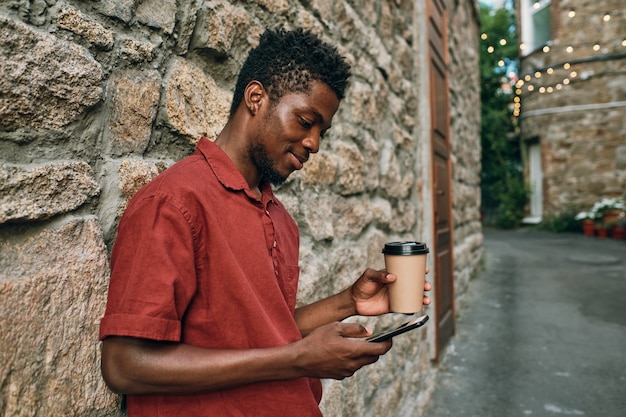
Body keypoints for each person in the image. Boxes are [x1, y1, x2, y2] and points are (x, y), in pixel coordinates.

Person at [99, 28, 431, 417]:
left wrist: (348, 302)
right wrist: (298, 360)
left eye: (322, 131)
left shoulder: (279, 218)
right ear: (256, 98)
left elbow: (264, 331)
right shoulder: (173, 204)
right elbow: (125, 365)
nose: (314, 144)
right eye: (306, 121)